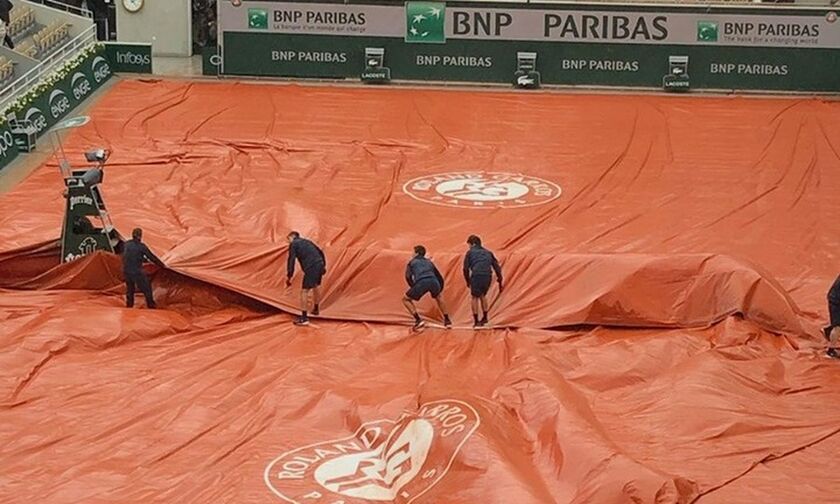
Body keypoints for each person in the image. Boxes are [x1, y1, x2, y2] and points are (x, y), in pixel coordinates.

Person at [403, 245, 452, 329]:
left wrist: (413, 286)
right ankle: (447, 320)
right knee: (439, 297)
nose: (412, 253)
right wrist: (440, 288)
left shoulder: (412, 262)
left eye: (413, 252)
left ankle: (418, 320)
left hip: (422, 281)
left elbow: (408, 276)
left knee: (405, 299)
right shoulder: (429, 262)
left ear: (417, 253)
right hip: (434, 281)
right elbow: (439, 276)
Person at [286, 231, 326, 326]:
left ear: (292, 237)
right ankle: (316, 309)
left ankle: (304, 318)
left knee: (304, 291)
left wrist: (289, 276)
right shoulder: (307, 241)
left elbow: (291, 260)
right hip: (319, 263)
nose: (288, 242)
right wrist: (323, 266)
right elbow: (320, 252)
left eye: (288, 240)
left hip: (311, 266)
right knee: (315, 286)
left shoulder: (294, 244)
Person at [463, 235, 503, 328]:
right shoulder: (488, 252)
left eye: (469, 245)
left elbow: (465, 268)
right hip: (487, 275)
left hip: (477, 274)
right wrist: (499, 279)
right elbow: (496, 266)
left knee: (474, 297)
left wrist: (467, 281)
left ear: (472, 244)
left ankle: (476, 321)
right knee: (482, 295)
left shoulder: (470, 253)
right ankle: (485, 317)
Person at [122, 228, 165, 309]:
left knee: (130, 289)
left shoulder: (126, 244)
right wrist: (162, 264)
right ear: (140, 236)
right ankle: (151, 305)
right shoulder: (141, 246)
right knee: (147, 288)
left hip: (126, 270)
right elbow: (151, 257)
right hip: (136, 271)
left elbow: (128, 255)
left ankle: (129, 306)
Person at [824, 275, 840, 359]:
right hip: (836, 302)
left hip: (834, 299)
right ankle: (830, 350)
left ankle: (829, 330)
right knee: (837, 327)